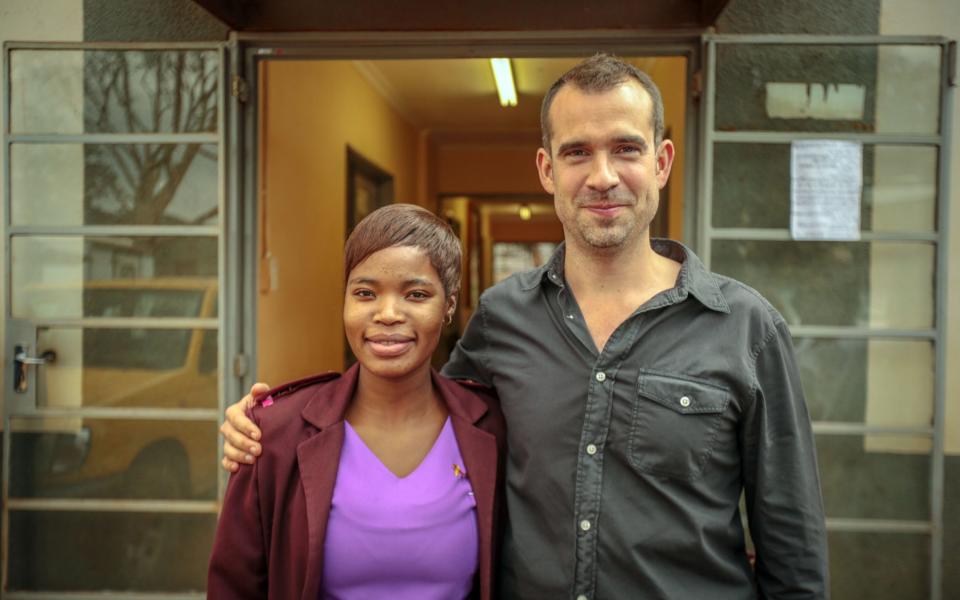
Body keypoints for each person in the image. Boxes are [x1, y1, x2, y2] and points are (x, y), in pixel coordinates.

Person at [221, 55, 829, 599]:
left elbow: (793, 548)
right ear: (546, 169)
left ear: (662, 160)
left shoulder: (746, 329)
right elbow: (421, 415)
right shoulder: (502, 317)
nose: (602, 176)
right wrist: (273, 427)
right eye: (576, 152)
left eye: (625, 148)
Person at [208, 204, 506, 599]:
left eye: (416, 294)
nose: (387, 314)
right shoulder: (274, 433)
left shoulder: (493, 428)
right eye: (365, 293)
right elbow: (235, 586)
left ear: (449, 305)